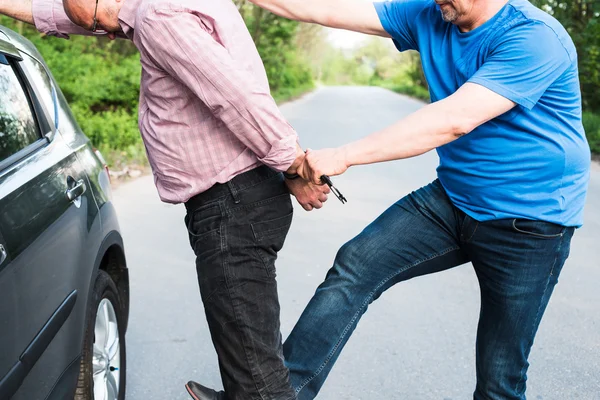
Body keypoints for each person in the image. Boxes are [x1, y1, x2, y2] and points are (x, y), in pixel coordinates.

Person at [185, 0, 588, 399]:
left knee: (500, 377)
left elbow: (454, 119)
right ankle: (271, 397)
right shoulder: (432, 13)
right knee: (355, 266)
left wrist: (344, 155)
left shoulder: (536, 37)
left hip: (531, 223)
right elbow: (323, 10)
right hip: (454, 199)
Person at [0, 0, 331, 399]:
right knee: (254, 363)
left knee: (260, 385)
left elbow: (236, 97)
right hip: (239, 199)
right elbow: (77, 15)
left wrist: (294, 165)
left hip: (233, 205)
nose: (97, 31)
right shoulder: (147, 10)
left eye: (87, 15)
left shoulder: (158, 16)